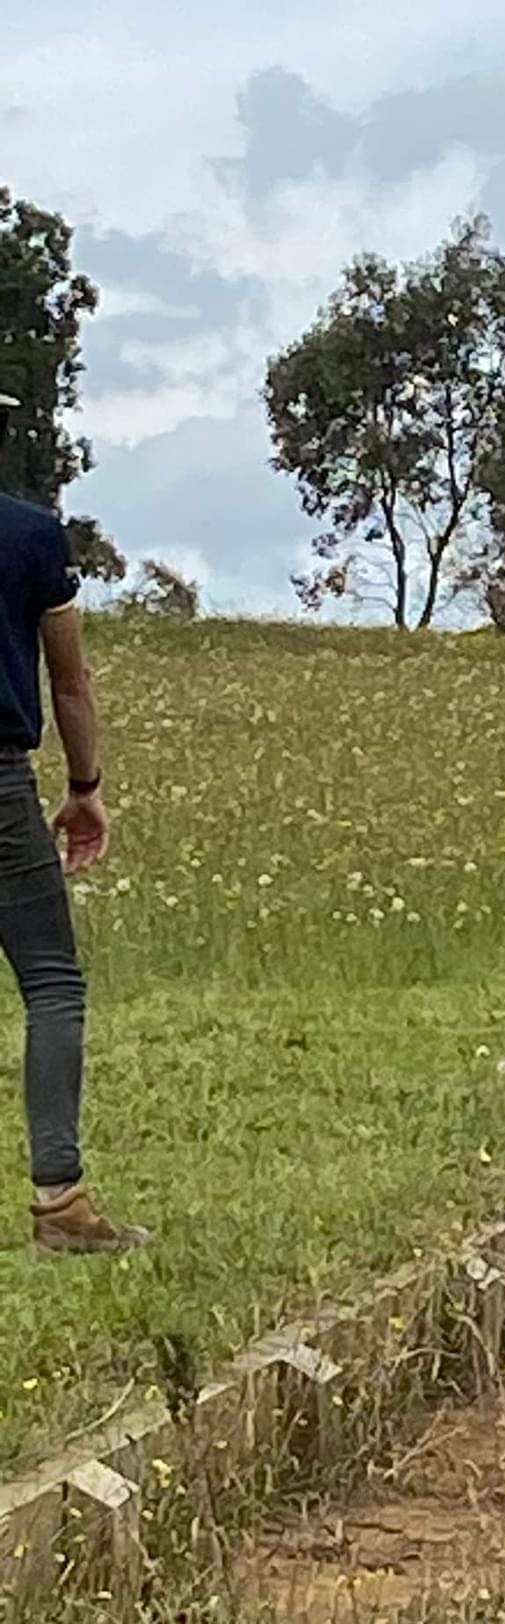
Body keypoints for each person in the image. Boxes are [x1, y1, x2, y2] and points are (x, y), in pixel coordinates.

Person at [0, 397, 148, 1252]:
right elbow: (70, 680)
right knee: (52, 982)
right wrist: (84, 784)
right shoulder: (31, 539)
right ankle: (61, 1202)